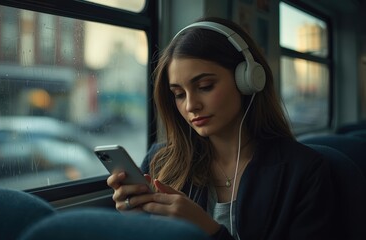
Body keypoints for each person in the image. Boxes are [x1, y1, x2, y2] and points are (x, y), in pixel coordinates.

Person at [107, 17, 334, 240]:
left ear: (247, 80)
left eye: (205, 86)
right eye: (178, 94)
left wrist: (207, 230)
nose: (190, 105)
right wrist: (136, 224)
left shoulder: (305, 172)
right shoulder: (160, 162)